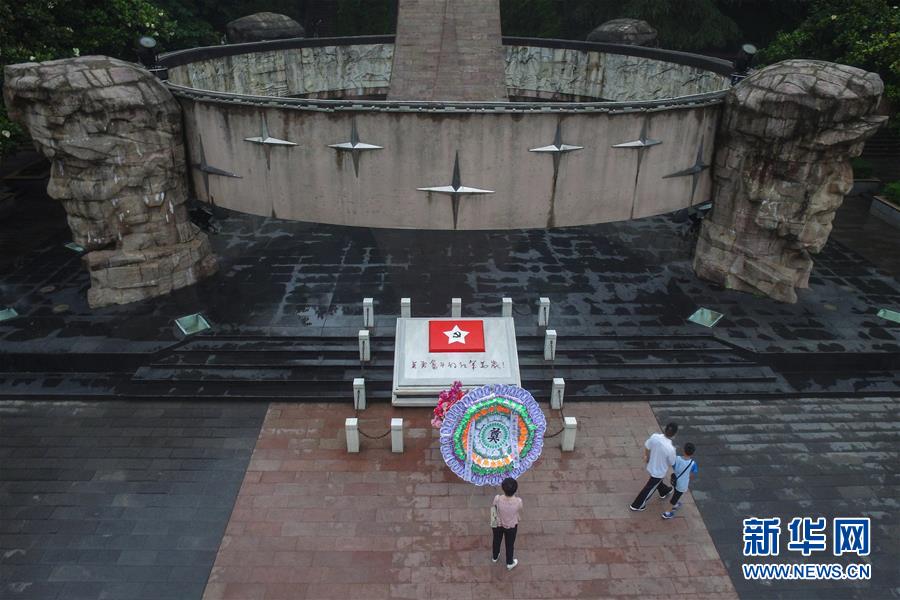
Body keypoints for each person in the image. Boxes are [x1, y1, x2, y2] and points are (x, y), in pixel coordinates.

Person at [629, 422, 677, 511]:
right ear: (674, 434)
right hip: (659, 472)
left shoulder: (655, 437)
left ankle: (664, 491)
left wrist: (647, 457)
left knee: (656, 483)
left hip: (651, 465)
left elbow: (647, 446)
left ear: (665, 429)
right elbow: (672, 462)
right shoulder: (671, 449)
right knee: (649, 488)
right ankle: (637, 505)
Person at [492, 477, 523, 570]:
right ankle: (509, 562)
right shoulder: (518, 501)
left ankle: (495, 556)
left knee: (496, 540)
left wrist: (493, 522)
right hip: (511, 526)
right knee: (509, 544)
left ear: (503, 488)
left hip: (497, 524)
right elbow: (519, 511)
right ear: (515, 489)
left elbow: (493, 509)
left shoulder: (497, 498)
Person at [663, 442, 698, 519]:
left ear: (683, 450)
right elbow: (693, 473)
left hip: (675, 480)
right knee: (675, 497)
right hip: (683, 483)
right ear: (693, 453)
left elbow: (673, 465)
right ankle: (667, 512)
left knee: (676, 493)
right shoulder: (693, 463)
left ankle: (674, 504)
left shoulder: (677, 458)